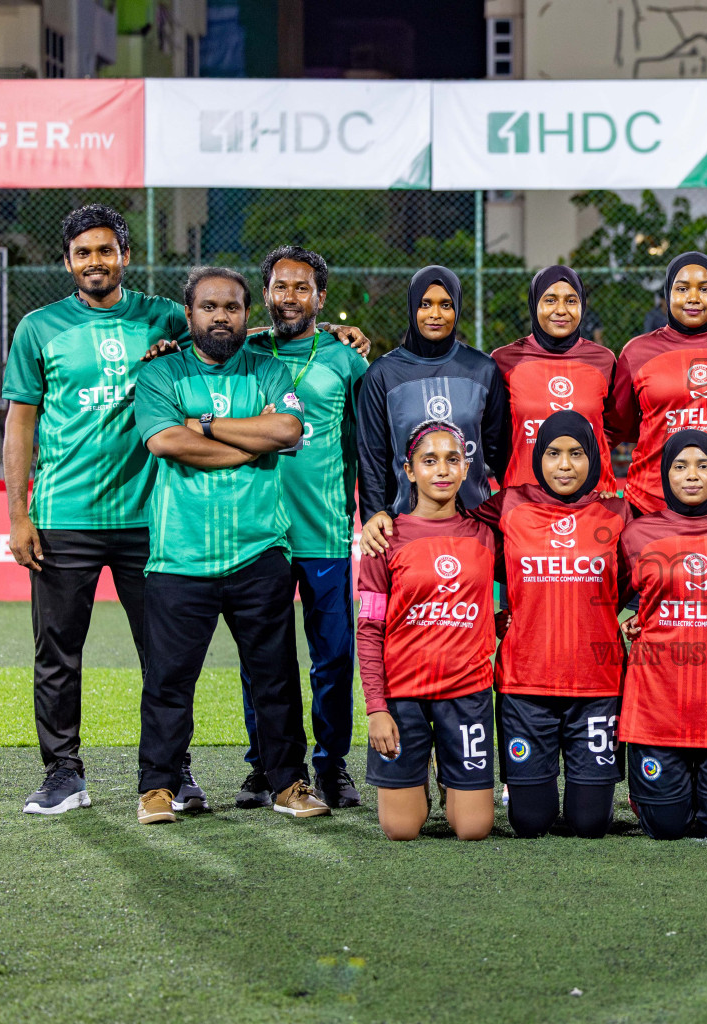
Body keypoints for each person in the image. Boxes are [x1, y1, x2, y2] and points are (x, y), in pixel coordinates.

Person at [3, 204, 190, 815]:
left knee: (164, 653)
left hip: (148, 517)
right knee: (57, 654)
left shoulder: (164, 316)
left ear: (125, 255)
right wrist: (17, 515)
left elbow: (226, 341)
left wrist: (328, 334)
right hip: (63, 518)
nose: (95, 262)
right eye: (83, 253)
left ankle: (171, 773)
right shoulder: (38, 327)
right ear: (67, 262)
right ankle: (63, 774)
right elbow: (20, 425)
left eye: (105, 250)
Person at [132, 267, 327, 824]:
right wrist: (249, 442)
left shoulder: (269, 370)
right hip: (179, 555)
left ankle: (289, 783)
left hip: (258, 551)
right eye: (210, 307)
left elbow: (288, 432)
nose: (222, 316)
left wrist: (209, 423)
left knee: (275, 678)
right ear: (189, 313)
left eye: (234, 307)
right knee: (168, 681)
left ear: (248, 314)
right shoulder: (160, 372)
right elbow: (166, 440)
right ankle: (157, 788)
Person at [233, 245, 368, 811]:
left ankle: (331, 764)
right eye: (280, 287)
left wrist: (365, 512)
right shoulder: (241, 352)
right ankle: (266, 765)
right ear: (264, 295)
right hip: (258, 533)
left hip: (324, 534)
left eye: (302, 287)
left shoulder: (346, 359)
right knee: (261, 657)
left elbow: (368, 447)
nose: (290, 296)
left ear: (321, 297)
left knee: (333, 656)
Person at [478, 411, 631, 838]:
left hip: (597, 688)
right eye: (553, 454)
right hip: (526, 687)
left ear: (595, 458)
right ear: (537, 458)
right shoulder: (508, 504)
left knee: (590, 824)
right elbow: (457, 537)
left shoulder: (617, 513)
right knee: (529, 823)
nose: (565, 465)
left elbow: (647, 571)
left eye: (577, 454)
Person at [617, 430, 707, 841]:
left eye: (703, 465)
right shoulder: (637, 534)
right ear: (665, 473)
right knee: (665, 827)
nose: (691, 475)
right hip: (658, 705)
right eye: (680, 466)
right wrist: (633, 619)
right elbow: (610, 594)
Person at [359, 422, 497, 841]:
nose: (442, 470)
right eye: (429, 460)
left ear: (466, 467)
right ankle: (418, 774)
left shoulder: (487, 534)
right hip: (403, 697)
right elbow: (368, 629)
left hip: (467, 693)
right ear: (409, 469)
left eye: (452, 460)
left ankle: (446, 773)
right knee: (401, 830)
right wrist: (376, 708)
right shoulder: (384, 538)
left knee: (473, 829)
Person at [608, 251, 707, 534]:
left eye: (705, 289)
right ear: (668, 294)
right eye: (682, 289)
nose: (694, 297)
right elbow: (621, 426)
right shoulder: (637, 352)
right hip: (651, 503)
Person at [358, 266, 509, 552]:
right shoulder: (383, 373)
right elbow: (372, 454)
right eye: (425, 304)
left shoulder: (483, 369)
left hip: (474, 523)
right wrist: (372, 513)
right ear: (412, 306)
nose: (435, 314)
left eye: (446, 305)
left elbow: (500, 452)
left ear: (458, 308)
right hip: (404, 524)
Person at [491, 265, 616, 492]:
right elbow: (492, 435)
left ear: (582, 306)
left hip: (591, 500)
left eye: (571, 301)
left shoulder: (603, 360)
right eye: (550, 300)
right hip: (524, 500)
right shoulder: (505, 360)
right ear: (534, 304)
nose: (561, 310)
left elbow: (615, 427)